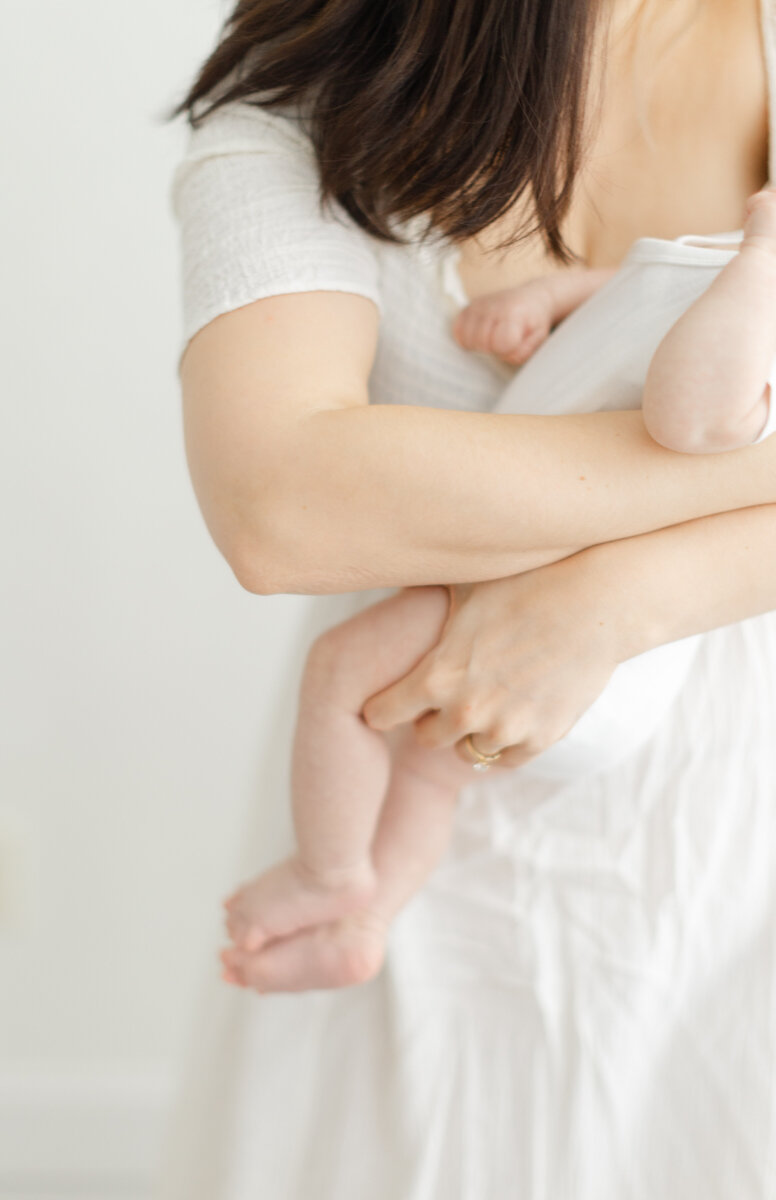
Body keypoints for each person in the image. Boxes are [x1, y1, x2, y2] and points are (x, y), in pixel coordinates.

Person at [157, 0, 776, 1195]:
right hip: (417, 796)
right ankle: (348, 886)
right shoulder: (313, 92)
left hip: (730, 840)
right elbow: (278, 506)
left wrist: (614, 601)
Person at [220, 189, 776, 994]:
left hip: (576, 613)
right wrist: (546, 302)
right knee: (428, 770)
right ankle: (361, 925)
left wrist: (763, 262)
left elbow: (694, 421)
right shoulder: (733, 260)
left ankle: (326, 871)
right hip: (541, 590)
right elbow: (650, 288)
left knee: (340, 672)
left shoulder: (759, 290)